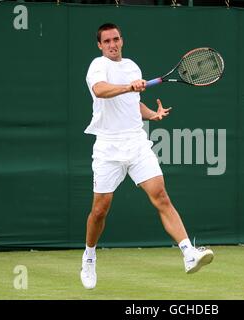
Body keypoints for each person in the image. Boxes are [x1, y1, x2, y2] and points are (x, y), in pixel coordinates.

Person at [80, 23, 214, 290]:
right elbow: (101, 90)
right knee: (99, 210)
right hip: (108, 147)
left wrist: (152, 114)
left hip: (137, 142)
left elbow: (132, 103)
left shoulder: (132, 66)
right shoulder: (98, 66)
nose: (112, 44)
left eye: (116, 39)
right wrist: (129, 87)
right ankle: (89, 256)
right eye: (106, 41)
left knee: (161, 195)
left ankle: (189, 253)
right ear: (99, 45)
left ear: (122, 40)